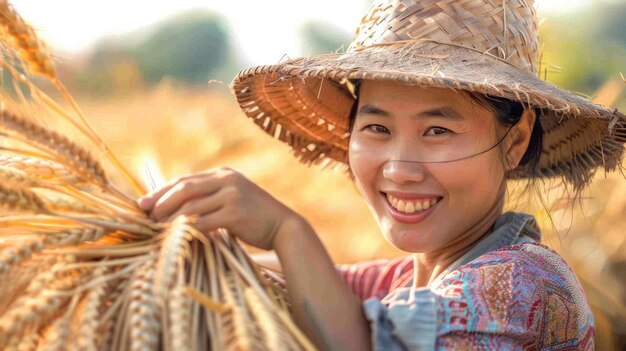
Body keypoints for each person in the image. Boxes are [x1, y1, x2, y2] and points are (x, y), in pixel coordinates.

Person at [137, 0, 625, 349]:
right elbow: (279, 281)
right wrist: (167, 238)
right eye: (376, 127)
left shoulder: (525, 286)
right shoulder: (404, 282)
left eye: (437, 130)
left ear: (515, 141)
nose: (398, 168)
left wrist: (287, 229)